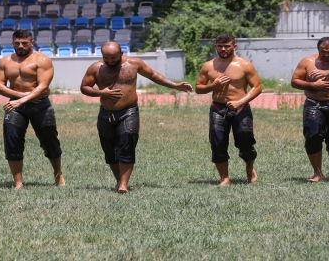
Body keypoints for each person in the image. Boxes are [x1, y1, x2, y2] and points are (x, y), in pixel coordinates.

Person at [80, 41, 193, 193]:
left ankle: (123, 185)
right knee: (109, 150)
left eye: (113, 57)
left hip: (128, 111)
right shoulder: (96, 68)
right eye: (106, 57)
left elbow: (153, 75)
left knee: (127, 142)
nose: (110, 61)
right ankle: (119, 180)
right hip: (106, 113)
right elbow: (84, 87)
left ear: (121, 53)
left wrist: (175, 85)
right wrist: (101, 92)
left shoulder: (134, 64)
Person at [0, 29, 65, 189]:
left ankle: (58, 174)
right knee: (12, 140)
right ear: (12, 43)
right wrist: (19, 96)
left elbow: (42, 87)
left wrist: (22, 100)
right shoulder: (5, 61)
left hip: (40, 105)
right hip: (15, 105)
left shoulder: (42, 60)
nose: (20, 46)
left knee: (50, 141)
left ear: (32, 43)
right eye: (17, 43)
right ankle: (18, 182)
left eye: (24, 43)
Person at [195, 33, 262, 186]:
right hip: (218, 108)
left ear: (234, 46)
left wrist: (240, 102)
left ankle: (250, 169)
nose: (223, 49)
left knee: (245, 140)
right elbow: (198, 88)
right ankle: (224, 178)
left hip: (241, 108)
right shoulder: (208, 66)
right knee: (217, 142)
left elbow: (257, 88)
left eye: (227, 46)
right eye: (220, 46)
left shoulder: (244, 65)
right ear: (215, 47)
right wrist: (213, 86)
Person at [290, 37, 329, 183]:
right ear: (318, 50)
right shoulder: (307, 62)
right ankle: (317, 172)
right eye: (322, 52)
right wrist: (314, 85)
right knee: (313, 136)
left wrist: (325, 74)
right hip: (314, 104)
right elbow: (294, 81)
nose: (326, 55)